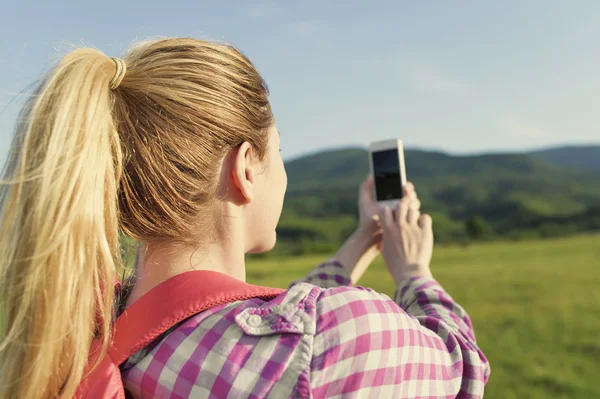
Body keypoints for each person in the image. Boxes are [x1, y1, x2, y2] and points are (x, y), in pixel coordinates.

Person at [0, 38, 490, 398]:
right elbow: (462, 369)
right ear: (245, 168)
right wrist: (414, 271)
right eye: (279, 151)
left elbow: (262, 318)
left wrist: (361, 241)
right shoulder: (329, 343)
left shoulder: (85, 329)